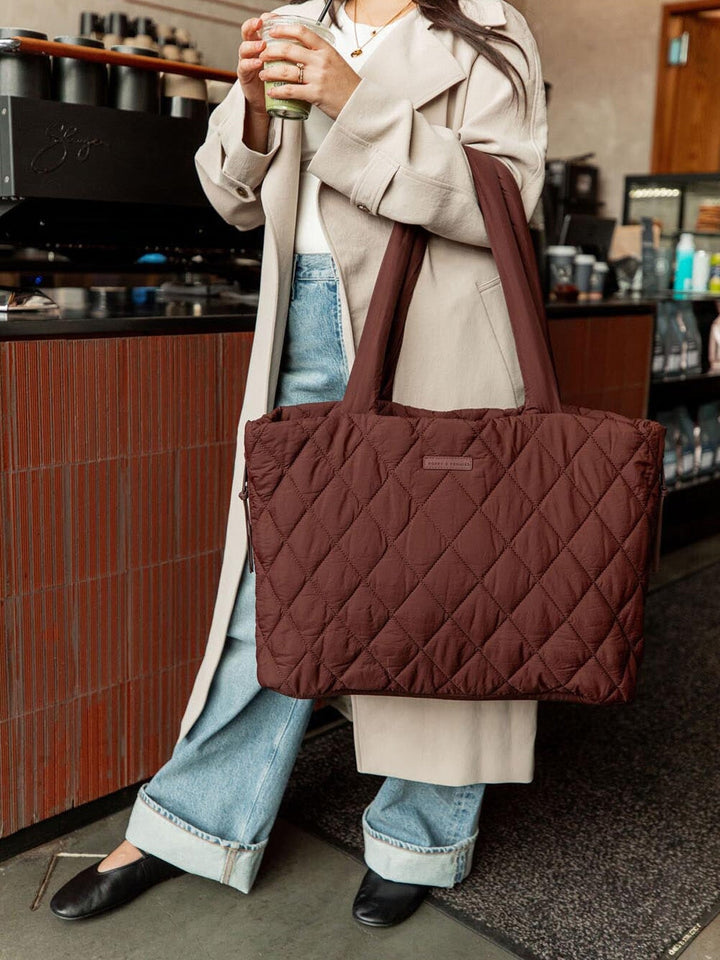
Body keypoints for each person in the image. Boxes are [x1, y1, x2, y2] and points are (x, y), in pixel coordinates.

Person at [50, 0, 548, 928]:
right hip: (305, 326)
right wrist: (245, 102)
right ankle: (191, 821)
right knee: (268, 591)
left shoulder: (488, 26)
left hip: (434, 334)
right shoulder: (290, 22)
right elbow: (231, 197)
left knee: (441, 591)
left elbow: (507, 204)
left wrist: (353, 98)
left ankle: (420, 836)